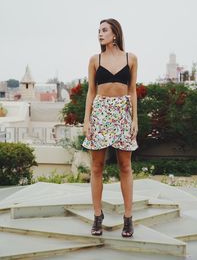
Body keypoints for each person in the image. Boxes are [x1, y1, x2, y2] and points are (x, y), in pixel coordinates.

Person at [82, 18, 138, 238]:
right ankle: (97, 216)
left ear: (115, 34)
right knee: (96, 167)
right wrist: (87, 120)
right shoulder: (94, 60)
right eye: (98, 31)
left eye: (104, 30)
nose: (100, 34)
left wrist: (135, 119)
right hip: (100, 114)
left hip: (122, 114)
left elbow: (132, 90)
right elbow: (90, 91)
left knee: (125, 166)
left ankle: (128, 217)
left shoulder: (130, 58)